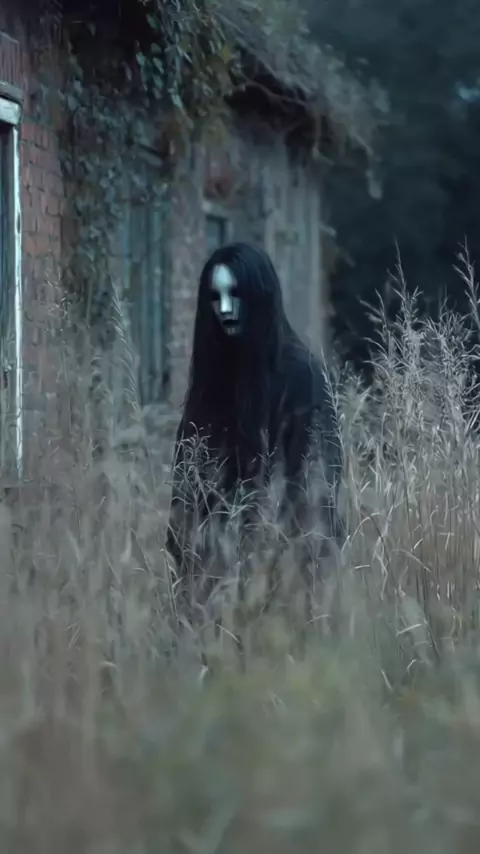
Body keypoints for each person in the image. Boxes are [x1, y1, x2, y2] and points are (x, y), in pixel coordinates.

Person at [165, 241, 343, 614]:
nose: (225, 307)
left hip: (286, 588)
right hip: (214, 593)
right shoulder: (213, 380)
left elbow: (315, 489)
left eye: (236, 295)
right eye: (216, 297)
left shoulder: (301, 376)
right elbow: (186, 493)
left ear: (259, 297)